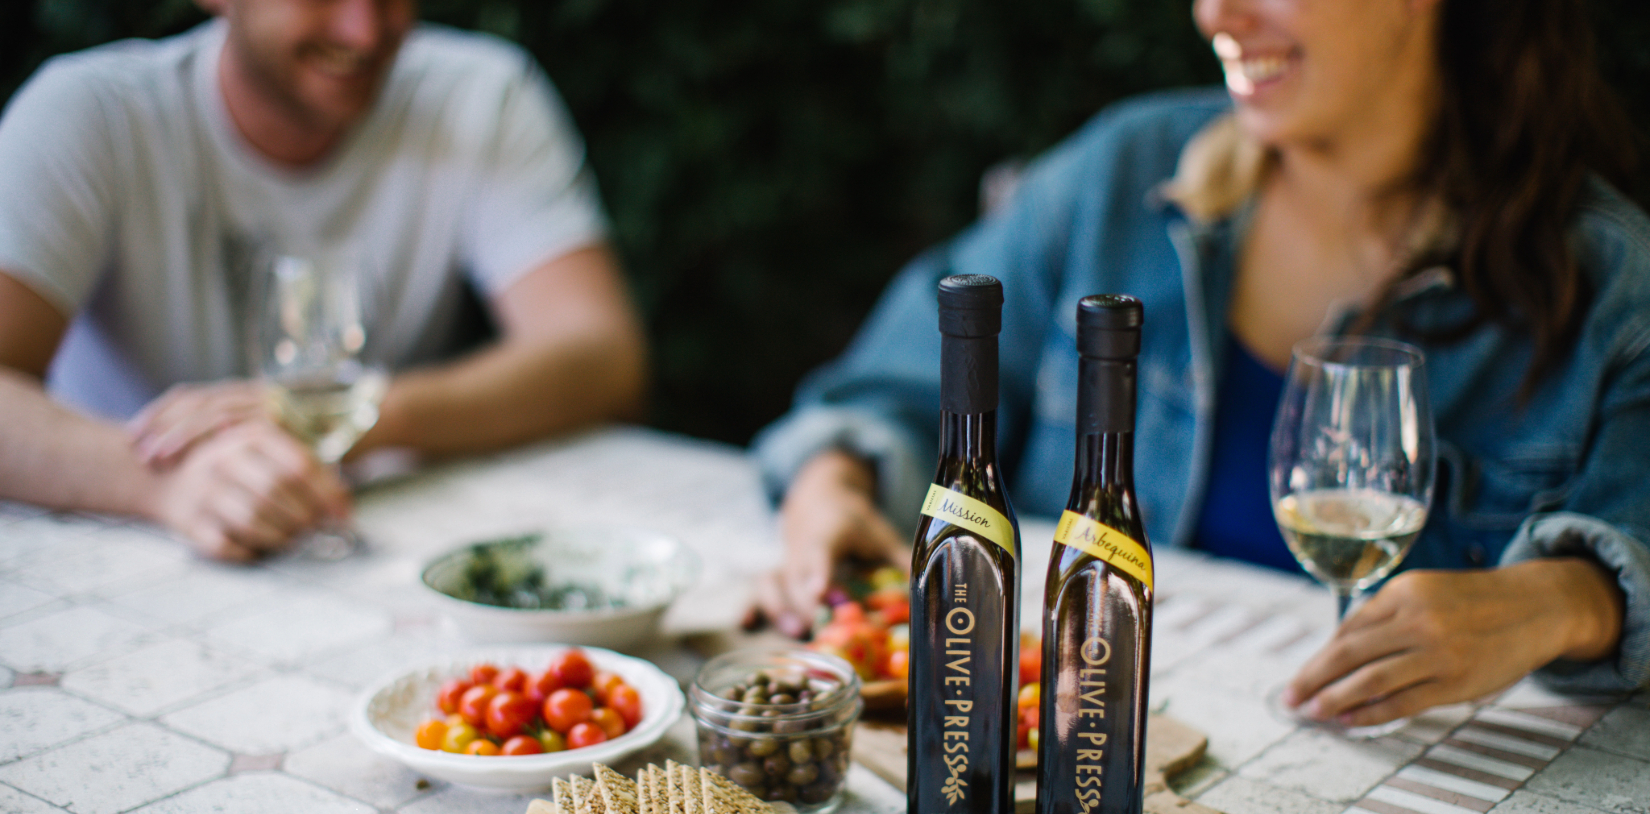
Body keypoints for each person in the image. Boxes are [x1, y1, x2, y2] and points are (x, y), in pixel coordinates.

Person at [751, 0, 1650, 727]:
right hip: (1084, 753)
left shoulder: (1612, 288)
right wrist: (833, 484)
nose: (1216, 14)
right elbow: (895, 385)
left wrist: (1567, 600)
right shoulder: (1122, 172)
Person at [0, 0, 647, 561]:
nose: (364, 31)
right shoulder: (90, 114)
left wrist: (371, 411)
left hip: (367, 540)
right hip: (125, 566)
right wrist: (167, 483)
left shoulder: (482, 94)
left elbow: (602, 357)